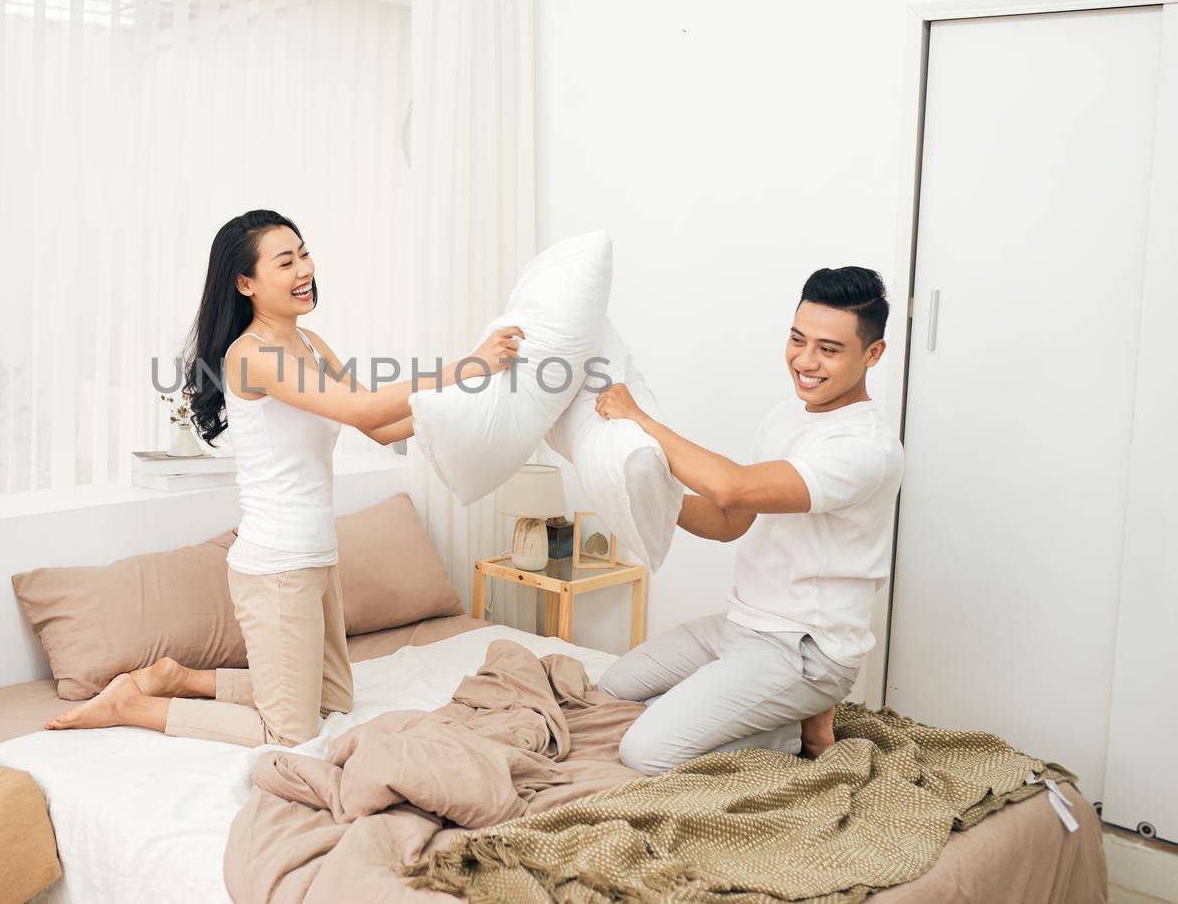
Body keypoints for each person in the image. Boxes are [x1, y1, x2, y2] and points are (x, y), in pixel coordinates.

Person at [48, 208, 521, 745]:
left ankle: (179, 677)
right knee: (288, 733)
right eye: (285, 261)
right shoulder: (252, 357)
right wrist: (470, 365)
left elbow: (382, 428)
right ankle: (134, 704)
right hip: (276, 565)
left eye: (304, 254)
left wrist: (477, 404)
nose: (304, 269)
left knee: (334, 699)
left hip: (317, 556)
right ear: (245, 283)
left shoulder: (312, 345)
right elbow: (362, 408)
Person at [592, 266, 905, 775]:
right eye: (797, 339)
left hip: (805, 650)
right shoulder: (785, 416)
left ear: (873, 354)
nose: (805, 361)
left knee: (643, 750)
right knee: (614, 688)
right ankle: (781, 712)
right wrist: (641, 494)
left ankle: (787, 731)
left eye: (828, 349)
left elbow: (731, 485)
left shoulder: (866, 448)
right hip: (744, 625)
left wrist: (640, 420)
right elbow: (728, 520)